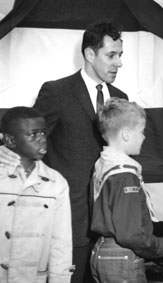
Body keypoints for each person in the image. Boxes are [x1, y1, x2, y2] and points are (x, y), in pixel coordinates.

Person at [0, 20, 128, 283]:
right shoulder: (56, 92)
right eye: (111, 55)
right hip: (70, 219)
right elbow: (28, 140)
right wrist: (7, 153)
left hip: (111, 223)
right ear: (90, 54)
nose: (118, 63)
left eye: (120, 55)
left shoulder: (121, 98)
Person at [90, 98, 163, 283]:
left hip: (102, 250)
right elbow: (130, 233)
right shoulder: (124, 175)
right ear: (126, 134)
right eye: (141, 132)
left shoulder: (103, 164)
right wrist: (162, 246)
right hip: (121, 255)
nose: (144, 137)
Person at [0, 107, 73, 283]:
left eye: (43, 133)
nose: (42, 139)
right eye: (33, 134)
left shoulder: (56, 183)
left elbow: (61, 243)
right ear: (10, 140)